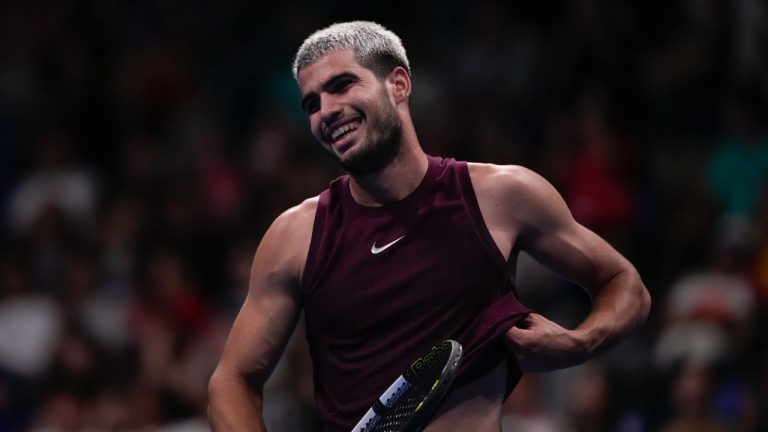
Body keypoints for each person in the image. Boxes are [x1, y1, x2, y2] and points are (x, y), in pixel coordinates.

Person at [208, 21, 651, 432]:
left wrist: (580, 343)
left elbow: (623, 281)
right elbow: (232, 379)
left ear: (398, 84)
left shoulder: (500, 195)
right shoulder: (295, 236)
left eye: (341, 85)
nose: (326, 110)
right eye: (312, 103)